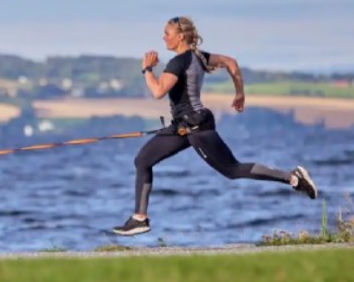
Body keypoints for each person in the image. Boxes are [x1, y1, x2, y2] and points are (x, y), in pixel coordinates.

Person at [113, 16, 317, 236]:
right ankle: (139, 219)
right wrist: (240, 93)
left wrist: (147, 70)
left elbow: (158, 92)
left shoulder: (179, 62)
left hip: (196, 127)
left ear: (180, 36)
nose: (164, 38)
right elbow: (231, 62)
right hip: (183, 126)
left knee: (232, 170)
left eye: (167, 33)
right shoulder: (200, 57)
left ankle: (293, 178)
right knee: (143, 160)